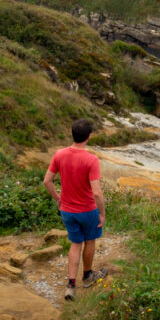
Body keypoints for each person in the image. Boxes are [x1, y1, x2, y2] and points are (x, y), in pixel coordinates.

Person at [43, 119, 107, 300]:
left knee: (75, 244)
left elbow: (47, 181)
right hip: (87, 210)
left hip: (67, 211)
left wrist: (58, 199)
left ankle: (71, 285)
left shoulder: (59, 154)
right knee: (90, 241)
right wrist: (102, 213)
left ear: (72, 134)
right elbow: (96, 193)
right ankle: (87, 276)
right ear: (89, 137)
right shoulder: (91, 159)